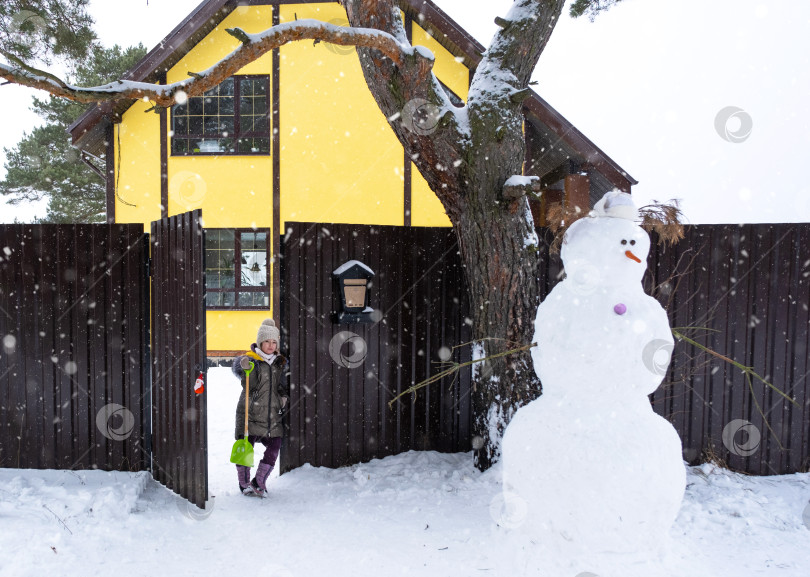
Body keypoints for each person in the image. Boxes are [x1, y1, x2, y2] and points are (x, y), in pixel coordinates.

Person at [232, 318, 289, 497]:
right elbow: (250, 383)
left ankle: (259, 480)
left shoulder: (279, 363)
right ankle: (244, 482)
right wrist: (245, 367)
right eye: (267, 341)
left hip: (272, 415)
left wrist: (284, 397)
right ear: (260, 342)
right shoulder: (253, 361)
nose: (271, 345)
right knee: (245, 447)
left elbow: (280, 386)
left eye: (274, 342)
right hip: (251, 412)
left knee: (275, 446)